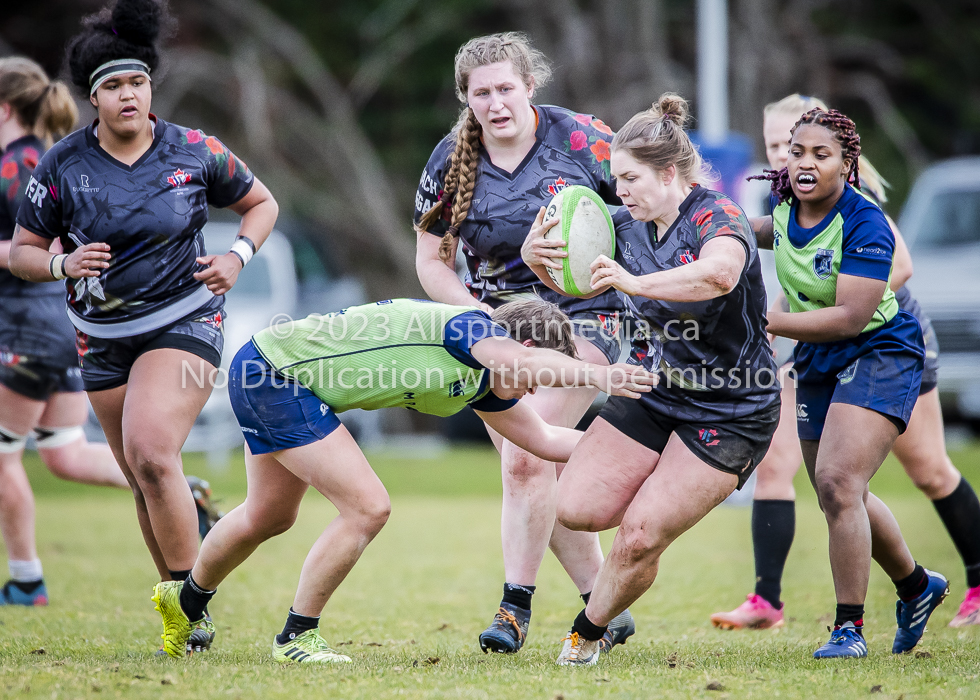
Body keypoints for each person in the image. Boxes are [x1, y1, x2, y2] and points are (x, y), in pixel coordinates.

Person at [149, 298, 656, 662]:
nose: (532, 387)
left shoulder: (487, 387)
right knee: (368, 508)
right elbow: (523, 362)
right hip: (276, 376)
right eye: (541, 375)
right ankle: (296, 637)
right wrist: (600, 376)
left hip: (273, 370)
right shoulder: (472, 333)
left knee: (268, 516)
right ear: (522, 346)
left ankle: (185, 600)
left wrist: (643, 459)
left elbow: (545, 440)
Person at [8, 0, 277, 653]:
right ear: (93, 97)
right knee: (140, 473)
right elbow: (20, 251)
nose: (128, 95)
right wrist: (60, 261)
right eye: (113, 86)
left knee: (154, 452)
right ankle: (177, 599)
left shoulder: (193, 150)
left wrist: (236, 256)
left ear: (150, 86)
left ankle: (191, 601)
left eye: (137, 82)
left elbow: (259, 203)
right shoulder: (62, 166)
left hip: (185, 320)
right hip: (98, 337)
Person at [521, 93, 781, 666]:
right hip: (656, 392)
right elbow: (575, 283)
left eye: (632, 178)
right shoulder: (623, 224)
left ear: (669, 173)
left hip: (732, 408)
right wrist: (535, 254)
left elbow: (719, 275)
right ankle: (652, 507)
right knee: (575, 509)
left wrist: (637, 286)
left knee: (638, 537)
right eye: (616, 179)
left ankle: (589, 631)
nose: (622, 191)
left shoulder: (718, 217)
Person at [710, 94, 980, 632]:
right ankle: (900, 587)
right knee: (826, 485)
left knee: (922, 470)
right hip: (817, 345)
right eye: (782, 148)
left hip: (889, 338)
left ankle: (865, 620)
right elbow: (764, 241)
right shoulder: (786, 206)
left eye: (814, 151)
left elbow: (884, 280)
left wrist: (781, 318)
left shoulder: (861, 208)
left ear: (844, 158)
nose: (795, 162)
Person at [414, 32, 631, 653]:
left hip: (592, 317)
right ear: (467, 99)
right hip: (504, 329)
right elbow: (432, 265)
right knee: (534, 470)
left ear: (530, 87)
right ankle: (604, 605)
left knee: (525, 458)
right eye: (482, 93)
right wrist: (480, 317)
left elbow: (646, 209)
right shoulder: (450, 160)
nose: (496, 102)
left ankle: (514, 609)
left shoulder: (583, 139)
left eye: (506, 88)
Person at [0, 56, 129, 606]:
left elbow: (44, 249)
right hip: (62, 323)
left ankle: (26, 580)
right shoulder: (51, 158)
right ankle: (177, 491)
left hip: (26, 325)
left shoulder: (18, 164)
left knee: (2, 455)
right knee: (64, 452)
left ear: (4, 108)